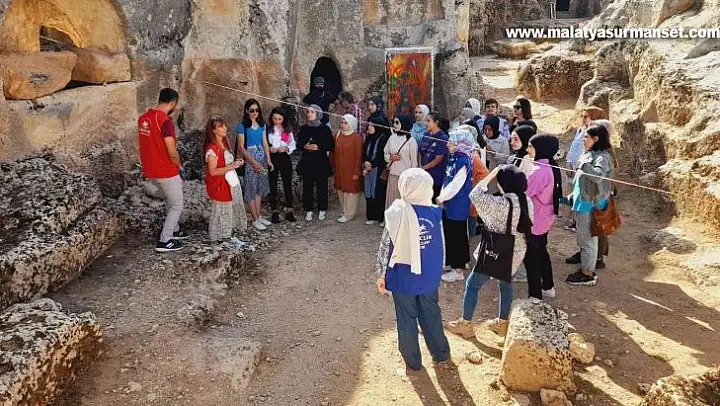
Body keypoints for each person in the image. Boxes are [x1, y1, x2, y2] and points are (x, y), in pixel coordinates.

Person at [376, 168, 451, 373]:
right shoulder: (435, 212)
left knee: (406, 318)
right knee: (431, 312)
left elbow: (385, 247)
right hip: (428, 276)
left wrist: (381, 274)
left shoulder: (395, 213)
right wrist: (439, 269)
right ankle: (441, 353)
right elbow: (440, 243)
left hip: (403, 277)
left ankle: (413, 361)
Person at [446, 165, 533, 339]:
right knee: (505, 285)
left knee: (472, 285)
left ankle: (465, 324)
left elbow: (475, 195)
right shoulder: (526, 201)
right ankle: (502, 323)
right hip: (515, 252)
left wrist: (491, 174)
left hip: (495, 250)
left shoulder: (498, 203)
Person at [138, 88, 187, 252]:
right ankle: (165, 241)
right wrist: (179, 166)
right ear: (173, 103)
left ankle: (175, 230)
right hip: (165, 170)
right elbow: (171, 151)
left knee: (170, 200)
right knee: (177, 204)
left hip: (150, 170)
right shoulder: (165, 122)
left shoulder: (144, 119)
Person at [565, 124, 614, 286]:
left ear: (596, 139)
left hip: (591, 205)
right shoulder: (590, 154)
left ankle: (587, 273)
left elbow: (597, 176)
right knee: (584, 238)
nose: (583, 140)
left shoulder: (603, 157)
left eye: (586, 137)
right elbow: (582, 180)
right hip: (583, 202)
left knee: (588, 240)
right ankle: (585, 264)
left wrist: (583, 165)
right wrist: (574, 195)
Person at [524, 133, 563, 299]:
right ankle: (548, 286)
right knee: (541, 252)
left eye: (530, 146)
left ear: (540, 149)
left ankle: (535, 297)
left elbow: (524, 193)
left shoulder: (539, 171)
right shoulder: (549, 166)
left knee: (531, 259)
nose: (528, 150)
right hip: (544, 218)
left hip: (535, 220)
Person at [437, 126, 475, 283]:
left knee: (456, 236)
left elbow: (455, 185)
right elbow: (447, 181)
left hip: (457, 205)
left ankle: (457, 270)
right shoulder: (454, 159)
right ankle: (459, 262)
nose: (447, 144)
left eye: (451, 142)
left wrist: (441, 198)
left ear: (460, 144)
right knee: (455, 234)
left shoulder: (462, 161)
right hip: (450, 203)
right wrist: (443, 196)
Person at [203, 116, 247, 248]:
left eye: (224, 125)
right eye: (221, 126)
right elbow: (213, 171)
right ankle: (220, 236)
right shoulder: (212, 149)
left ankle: (228, 234)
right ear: (214, 130)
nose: (225, 128)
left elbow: (227, 163)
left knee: (231, 207)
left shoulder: (224, 143)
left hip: (230, 180)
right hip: (221, 183)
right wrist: (232, 166)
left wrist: (236, 163)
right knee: (222, 209)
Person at [564, 106, 606, 233]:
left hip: (586, 168)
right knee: (573, 194)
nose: (583, 119)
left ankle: (580, 223)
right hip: (575, 166)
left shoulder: (597, 135)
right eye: (582, 116)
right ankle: (573, 220)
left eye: (586, 116)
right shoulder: (581, 130)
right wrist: (569, 162)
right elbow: (574, 147)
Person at [236, 99, 273, 231]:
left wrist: (268, 160)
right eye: (252, 110)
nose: (255, 113)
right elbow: (241, 147)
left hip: (261, 157)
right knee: (251, 188)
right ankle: (255, 218)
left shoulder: (262, 125)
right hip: (250, 158)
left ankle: (258, 215)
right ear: (247, 110)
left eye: (257, 110)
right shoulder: (242, 126)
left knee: (259, 188)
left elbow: (265, 143)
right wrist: (253, 162)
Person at [297, 105, 334, 221]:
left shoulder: (325, 129)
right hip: (307, 161)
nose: (309, 114)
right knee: (307, 186)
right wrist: (305, 146)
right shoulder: (303, 128)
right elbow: (299, 144)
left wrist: (319, 147)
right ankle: (308, 210)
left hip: (320, 161)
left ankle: (322, 208)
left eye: (312, 112)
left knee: (322, 186)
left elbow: (330, 145)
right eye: (308, 112)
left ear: (318, 114)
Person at [267, 107, 297, 223]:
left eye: (279, 119)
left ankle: (289, 209)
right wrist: (270, 149)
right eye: (275, 119)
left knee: (287, 183)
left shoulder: (287, 130)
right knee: (273, 184)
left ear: (283, 119)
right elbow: (265, 143)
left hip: (284, 157)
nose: (277, 121)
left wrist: (286, 148)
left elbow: (292, 144)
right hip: (273, 158)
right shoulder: (268, 130)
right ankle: (274, 211)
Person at [333, 114, 364, 223]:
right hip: (339, 168)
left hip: (351, 169)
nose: (343, 125)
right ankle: (344, 211)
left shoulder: (357, 138)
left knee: (351, 192)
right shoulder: (337, 135)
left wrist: (356, 172)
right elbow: (333, 152)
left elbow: (358, 156)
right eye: (342, 122)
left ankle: (350, 214)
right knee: (341, 190)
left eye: (346, 123)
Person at [384, 114, 419, 208]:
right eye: (393, 122)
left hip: (405, 177)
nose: (394, 125)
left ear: (404, 124)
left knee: (403, 202)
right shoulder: (392, 137)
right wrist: (391, 158)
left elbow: (414, 162)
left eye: (397, 122)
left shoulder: (411, 140)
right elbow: (386, 153)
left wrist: (412, 179)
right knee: (392, 201)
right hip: (393, 175)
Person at [363, 116, 391, 225]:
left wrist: (372, 164)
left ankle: (380, 217)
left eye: (372, 125)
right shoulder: (369, 138)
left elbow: (382, 155)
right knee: (369, 192)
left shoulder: (384, 138)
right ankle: (371, 216)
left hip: (379, 169)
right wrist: (365, 162)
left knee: (379, 193)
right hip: (368, 169)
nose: (369, 127)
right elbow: (364, 152)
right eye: (369, 125)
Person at [418, 112, 449, 201]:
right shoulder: (426, 135)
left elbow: (438, 159)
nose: (426, 123)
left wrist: (423, 168)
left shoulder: (443, 138)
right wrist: (420, 165)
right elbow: (420, 152)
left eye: (428, 121)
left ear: (436, 122)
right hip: (424, 175)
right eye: (425, 121)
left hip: (435, 176)